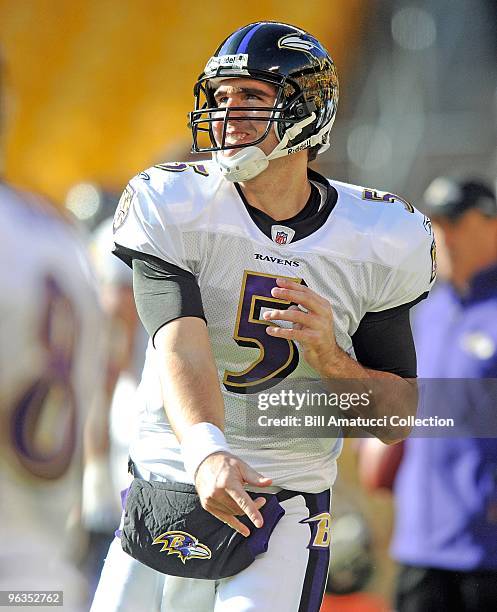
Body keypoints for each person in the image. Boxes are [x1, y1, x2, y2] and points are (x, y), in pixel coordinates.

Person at [91, 21, 435, 612]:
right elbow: (179, 342)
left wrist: (331, 358)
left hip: (284, 510)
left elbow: (398, 416)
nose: (229, 115)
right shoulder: (175, 204)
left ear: (310, 110)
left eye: (252, 96)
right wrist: (206, 450)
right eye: (221, 99)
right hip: (164, 494)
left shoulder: (377, 236)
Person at [389, 177, 497, 612]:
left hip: (486, 553)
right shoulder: (427, 312)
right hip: (419, 545)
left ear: (491, 225)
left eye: (455, 222)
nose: (442, 236)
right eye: (434, 224)